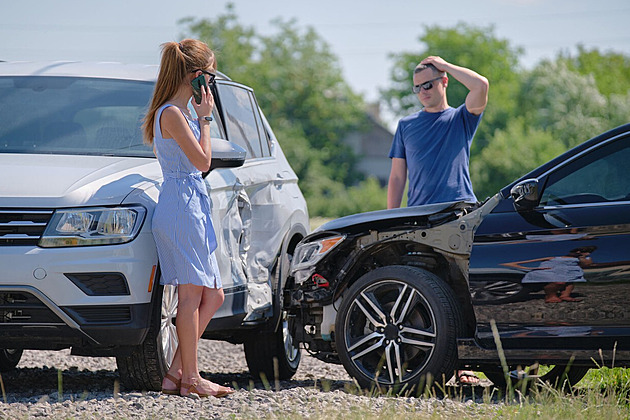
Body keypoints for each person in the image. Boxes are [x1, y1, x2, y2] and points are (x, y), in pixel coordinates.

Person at [387, 56, 489, 385]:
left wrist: (446, 63)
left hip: (459, 216)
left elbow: (481, 85)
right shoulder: (406, 126)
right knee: (424, 293)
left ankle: (465, 366)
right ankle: (424, 365)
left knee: (463, 290)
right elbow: (397, 177)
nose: (422, 92)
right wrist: (391, 218)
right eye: (417, 88)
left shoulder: (460, 119)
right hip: (418, 219)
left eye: (428, 85)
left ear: (444, 82)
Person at [142, 39, 234, 398]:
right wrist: (206, 118)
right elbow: (203, 162)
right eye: (210, 76)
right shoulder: (172, 114)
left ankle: (177, 372)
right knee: (191, 296)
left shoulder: (179, 112)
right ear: (197, 76)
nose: (211, 84)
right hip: (181, 205)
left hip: (192, 204)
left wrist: (200, 117)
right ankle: (191, 379)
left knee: (214, 295)